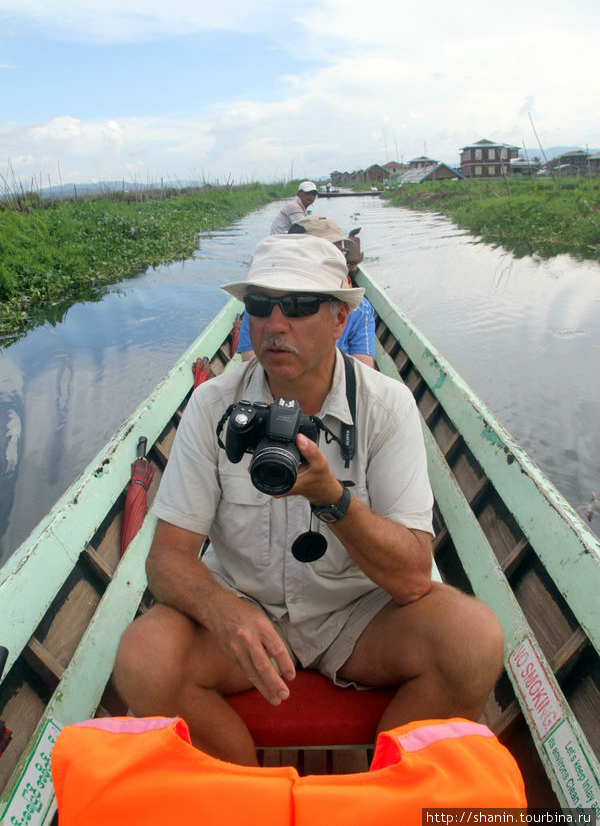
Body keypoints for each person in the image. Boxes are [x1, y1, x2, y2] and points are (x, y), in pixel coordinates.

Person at [113, 234, 504, 767]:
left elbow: (414, 578)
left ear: (340, 321)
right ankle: (251, 798)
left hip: (359, 617)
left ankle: (380, 797)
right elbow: (165, 558)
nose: (276, 324)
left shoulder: (386, 406)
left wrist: (331, 498)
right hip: (245, 608)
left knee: (472, 640)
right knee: (143, 659)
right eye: (260, 305)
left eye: (298, 306)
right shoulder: (212, 406)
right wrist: (221, 610)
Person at [237, 215, 375, 366]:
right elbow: (250, 360)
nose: (275, 325)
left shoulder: (361, 309)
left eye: (337, 252)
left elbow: (364, 364)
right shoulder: (259, 305)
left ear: (340, 318)